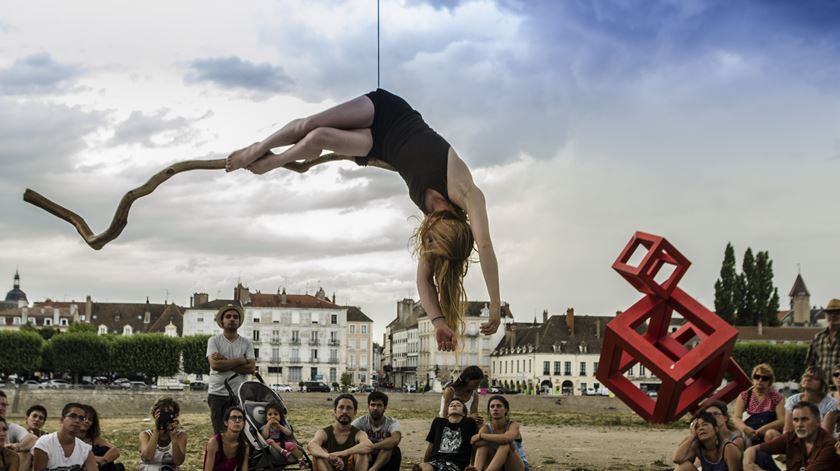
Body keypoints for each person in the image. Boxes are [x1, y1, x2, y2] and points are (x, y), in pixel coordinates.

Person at [225, 89, 503, 351]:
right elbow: (486, 245)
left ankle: (276, 162)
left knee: (317, 138)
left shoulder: (433, 224)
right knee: (308, 124)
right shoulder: (466, 191)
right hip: (389, 113)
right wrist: (494, 302)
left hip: (378, 147)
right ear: (450, 230)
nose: (426, 239)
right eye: (434, 239)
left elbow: (424, 282)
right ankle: (258, 151)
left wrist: (439, 323)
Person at [743, 401, 840, 471]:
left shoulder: (830, 445)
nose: (799, 424)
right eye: (795, 420)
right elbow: (751, 449)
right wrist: (748, 464)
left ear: (818, 421)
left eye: (805, 419)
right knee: (759, 456)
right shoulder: (792, 436)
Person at [207, 303, 256, 434]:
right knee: (219, 433)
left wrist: (225, 361)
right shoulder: (214, 341)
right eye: (228, 316)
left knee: (240, 433)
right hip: (217, 394)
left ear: (239, 321)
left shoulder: (246, 343)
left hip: (239, 395)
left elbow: (251, 368)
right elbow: (215, 365)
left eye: (235, 316)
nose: (232, 319)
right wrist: (240, 361)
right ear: (222, 321)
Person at [307, 394, 373, 471]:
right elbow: (311, 445)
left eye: (349, 408)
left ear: (355, 412)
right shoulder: (323, 433)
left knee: (362, 453)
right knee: (319, 454)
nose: (344, 411)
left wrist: (341, 453)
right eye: (341, 407)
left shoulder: (359, 433)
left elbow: (369, 446)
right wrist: (330, 456)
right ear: (335, 411)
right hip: (328, 467)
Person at [414, 398, 478, 471]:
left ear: (463, 413)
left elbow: (474, 446)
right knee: (423, 467)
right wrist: (425, 462)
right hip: (435, 462)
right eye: (451, 405)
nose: (454, 406)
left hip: (456, 464)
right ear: (447, 412)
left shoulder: (469, 423)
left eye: (458, 405)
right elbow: (430, 446)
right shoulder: (438, 422)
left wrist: (473, 465)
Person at [32, 402, 97, 471]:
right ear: (62, 419)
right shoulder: (45, 443)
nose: (77, 420)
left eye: (81, 418)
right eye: (73, 416)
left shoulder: (85, 449)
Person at [470, 395, 529, 471]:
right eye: (492, 407)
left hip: (516, 466)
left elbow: (506, 438)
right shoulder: (486, 428)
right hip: (496, 465)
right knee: (483, 444)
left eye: (499, 406)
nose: (495, 409)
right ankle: (477, 469)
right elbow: (477, 443)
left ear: (506, 410)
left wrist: (481, 435)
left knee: (506, 445)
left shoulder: (513, 425)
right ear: (489, 411)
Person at [732, 364, 785, 444]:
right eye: (757, 377)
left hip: (769, 431)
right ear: (753, 378)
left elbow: (782, 420)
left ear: (770, 381)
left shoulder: (777, 397)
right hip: (748, 431)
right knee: (736, 439)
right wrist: (745, 428)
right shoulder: (745, 395)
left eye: (765, 378)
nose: (760, 380)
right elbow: (736, 417)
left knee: (771, 434)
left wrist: (764, 429)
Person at [672, 410, 741, 471]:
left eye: (705, 424)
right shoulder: (698, 446)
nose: (701, 428)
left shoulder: (729, 449)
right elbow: (677, 459)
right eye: (697, 426)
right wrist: (691, 437)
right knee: (683, 467)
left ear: (716, 429)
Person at [351, 392, 402, 471]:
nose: (375, 408)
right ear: (368, 406)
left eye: (379, 405)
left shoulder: (392, 422)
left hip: (384, 457)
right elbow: (348, 436)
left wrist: (372, 447)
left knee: (391, 447)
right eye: (373, 405)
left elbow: (395, 440)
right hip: (366, 457)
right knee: (359, 451)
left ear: (385, 407)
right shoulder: (360, 421)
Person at [780, 368, 837, 436]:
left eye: (814, 378)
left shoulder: (830, 403)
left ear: (822, 384)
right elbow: (788, 430)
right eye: (806, 376)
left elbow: (825, 434)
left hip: (822, 443)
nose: (808, 379)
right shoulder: (792, 400)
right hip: (796, 440)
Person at [138, 398, 187, 471]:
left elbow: (178, 461)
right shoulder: (145, 435)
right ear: (155, 415)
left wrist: (173, 437)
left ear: (175, 415)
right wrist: (156, 431)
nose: (165, 417)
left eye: (169, 413)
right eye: (162, 413)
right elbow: (147, 457)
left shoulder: (181, 436)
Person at [260, 401, 305, 468]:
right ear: (266, 418)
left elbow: (289, 433)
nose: (273, 416)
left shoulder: (281, 425)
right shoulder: (265, 427)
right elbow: (264, 436)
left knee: (292, 445)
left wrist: (279, 426)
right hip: (272, 446)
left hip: (282, 443)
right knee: (269, 440)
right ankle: (283, 451)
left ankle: (300, 460)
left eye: (275, 414)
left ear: (280, 417)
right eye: (270, 414)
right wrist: (268, 424)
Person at [203, 406, 249, 471]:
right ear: (226, 422)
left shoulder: (244, 446)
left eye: (240, 418)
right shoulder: (214, 442)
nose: (237, 420)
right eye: (233, 418)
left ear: (244, 423)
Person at [77, 405, 122, 471]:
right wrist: (93, 458)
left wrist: (102, 460)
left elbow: (115, 451)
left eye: (90, 419)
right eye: (84, 418)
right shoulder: (69, 436)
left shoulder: (93, 438)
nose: (87, 421)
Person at [805, 299, 840, 382]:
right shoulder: (818, 338)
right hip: (821, 388)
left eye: (837, 313)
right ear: (825, 316)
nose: (833, 316)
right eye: (830, 313)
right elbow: (810, 364)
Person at [0, 391, 35, 471]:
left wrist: (17, 446)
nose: (1, 408)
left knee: (27, 451)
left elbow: (32, 438)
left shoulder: (11, 427)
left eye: (4, 405)